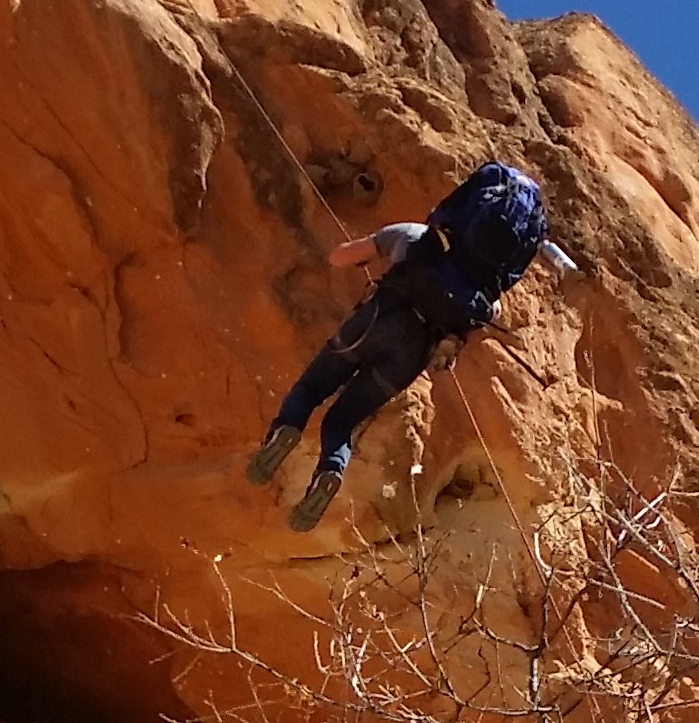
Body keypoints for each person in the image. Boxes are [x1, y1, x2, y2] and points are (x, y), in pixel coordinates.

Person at [246, 159, 574, 526]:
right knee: (342, 419)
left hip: (374, 322)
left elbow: (338, 258)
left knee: (311, 387)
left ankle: (286, 429)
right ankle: (330, 473)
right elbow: (492, 318)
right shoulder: (487, 297)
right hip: (409, 357)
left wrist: (370, 252)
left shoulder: (417, 238)